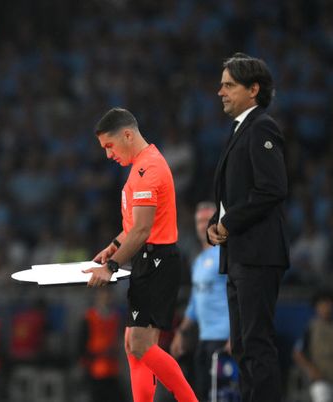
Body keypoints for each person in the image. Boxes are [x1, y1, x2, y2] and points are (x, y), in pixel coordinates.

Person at [83, 108, 197, 402]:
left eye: (109, 146)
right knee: (132, 343)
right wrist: (114, 246)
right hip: (149, 259)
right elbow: (134, 228)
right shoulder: (141, 167)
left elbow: (143, 230)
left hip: (157, 260)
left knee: (140, 345)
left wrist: (111, 265)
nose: (108, 155)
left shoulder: (149, 170)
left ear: (128, 135)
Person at [207, 53, 289, 402]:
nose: (220, 91)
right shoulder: (241, 128)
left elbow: (272, 188)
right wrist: (216, 222)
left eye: (228, 85)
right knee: (241, 346)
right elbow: (234, 193)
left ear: (253, 89)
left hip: (257, 252)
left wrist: (227, 223)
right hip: (239, 253)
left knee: (256, 344)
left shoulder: (262, 126)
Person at [170, 201, 229, 400]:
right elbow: (195, 302)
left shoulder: (226, 255)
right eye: (199, 221)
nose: (203, 225)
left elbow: (237, 297)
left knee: (220, 395)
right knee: (201, 393)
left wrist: (235, 336)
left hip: (223, 338)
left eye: (207, 220)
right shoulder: (198, 260)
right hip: (204, 339)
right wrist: (181, 332)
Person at [78, 287, 124, 402]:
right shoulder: (89, 317)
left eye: (109, 295)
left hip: (113, 369)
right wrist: (84, 363)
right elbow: (81, 343)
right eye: (103, 295)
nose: (106, 298)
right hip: (95, 368)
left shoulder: (116, 317)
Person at [292, 289, 333, 402]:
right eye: (323, 304)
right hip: (321, 379)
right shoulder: (311, 327)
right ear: (316, 307)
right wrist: (311, 370)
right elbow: (297, 353)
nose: (327, 307)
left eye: (329, 303)